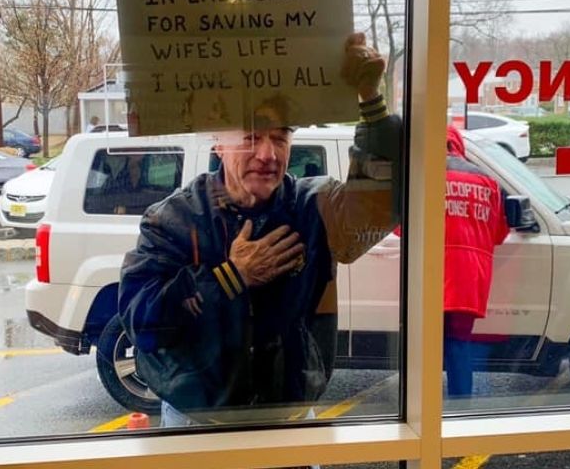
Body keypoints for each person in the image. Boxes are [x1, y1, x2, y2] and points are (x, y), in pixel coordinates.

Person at [118, 33, 402, 425]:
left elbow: (381, 202)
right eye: (251, 137)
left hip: (291, 417)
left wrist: (370, 99)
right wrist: (230, 278)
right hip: (201, 423)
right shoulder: (173, 220)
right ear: (218, 142)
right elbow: (144, 326)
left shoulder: (313, 207)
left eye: (280, 136)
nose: (267, 154)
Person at [443, 125, 510, 398]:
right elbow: (499, 233)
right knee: (458, 343)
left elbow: (400, 229)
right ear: (457, 144)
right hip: (470, 277)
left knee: (421, 347)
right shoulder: (487, 181)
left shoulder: (419, 176)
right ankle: (461, 405)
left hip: (428, 273)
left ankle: (418, 413)